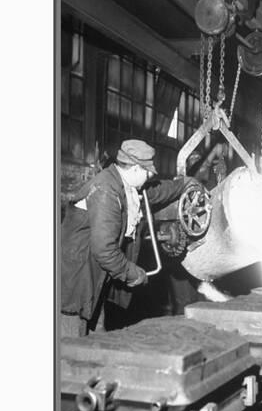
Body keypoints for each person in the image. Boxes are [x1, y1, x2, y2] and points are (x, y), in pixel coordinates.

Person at [61, 139, 198, 337]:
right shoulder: (106, 191)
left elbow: (158, 191)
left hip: (94, 279)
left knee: (97, 339)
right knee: (73, 347)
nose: (150, 176)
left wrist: (185, 184)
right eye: (148, 171)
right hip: (76, 282)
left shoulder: (126, 185)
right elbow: (105, 250)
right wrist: (132, 273)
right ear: (134, 168)